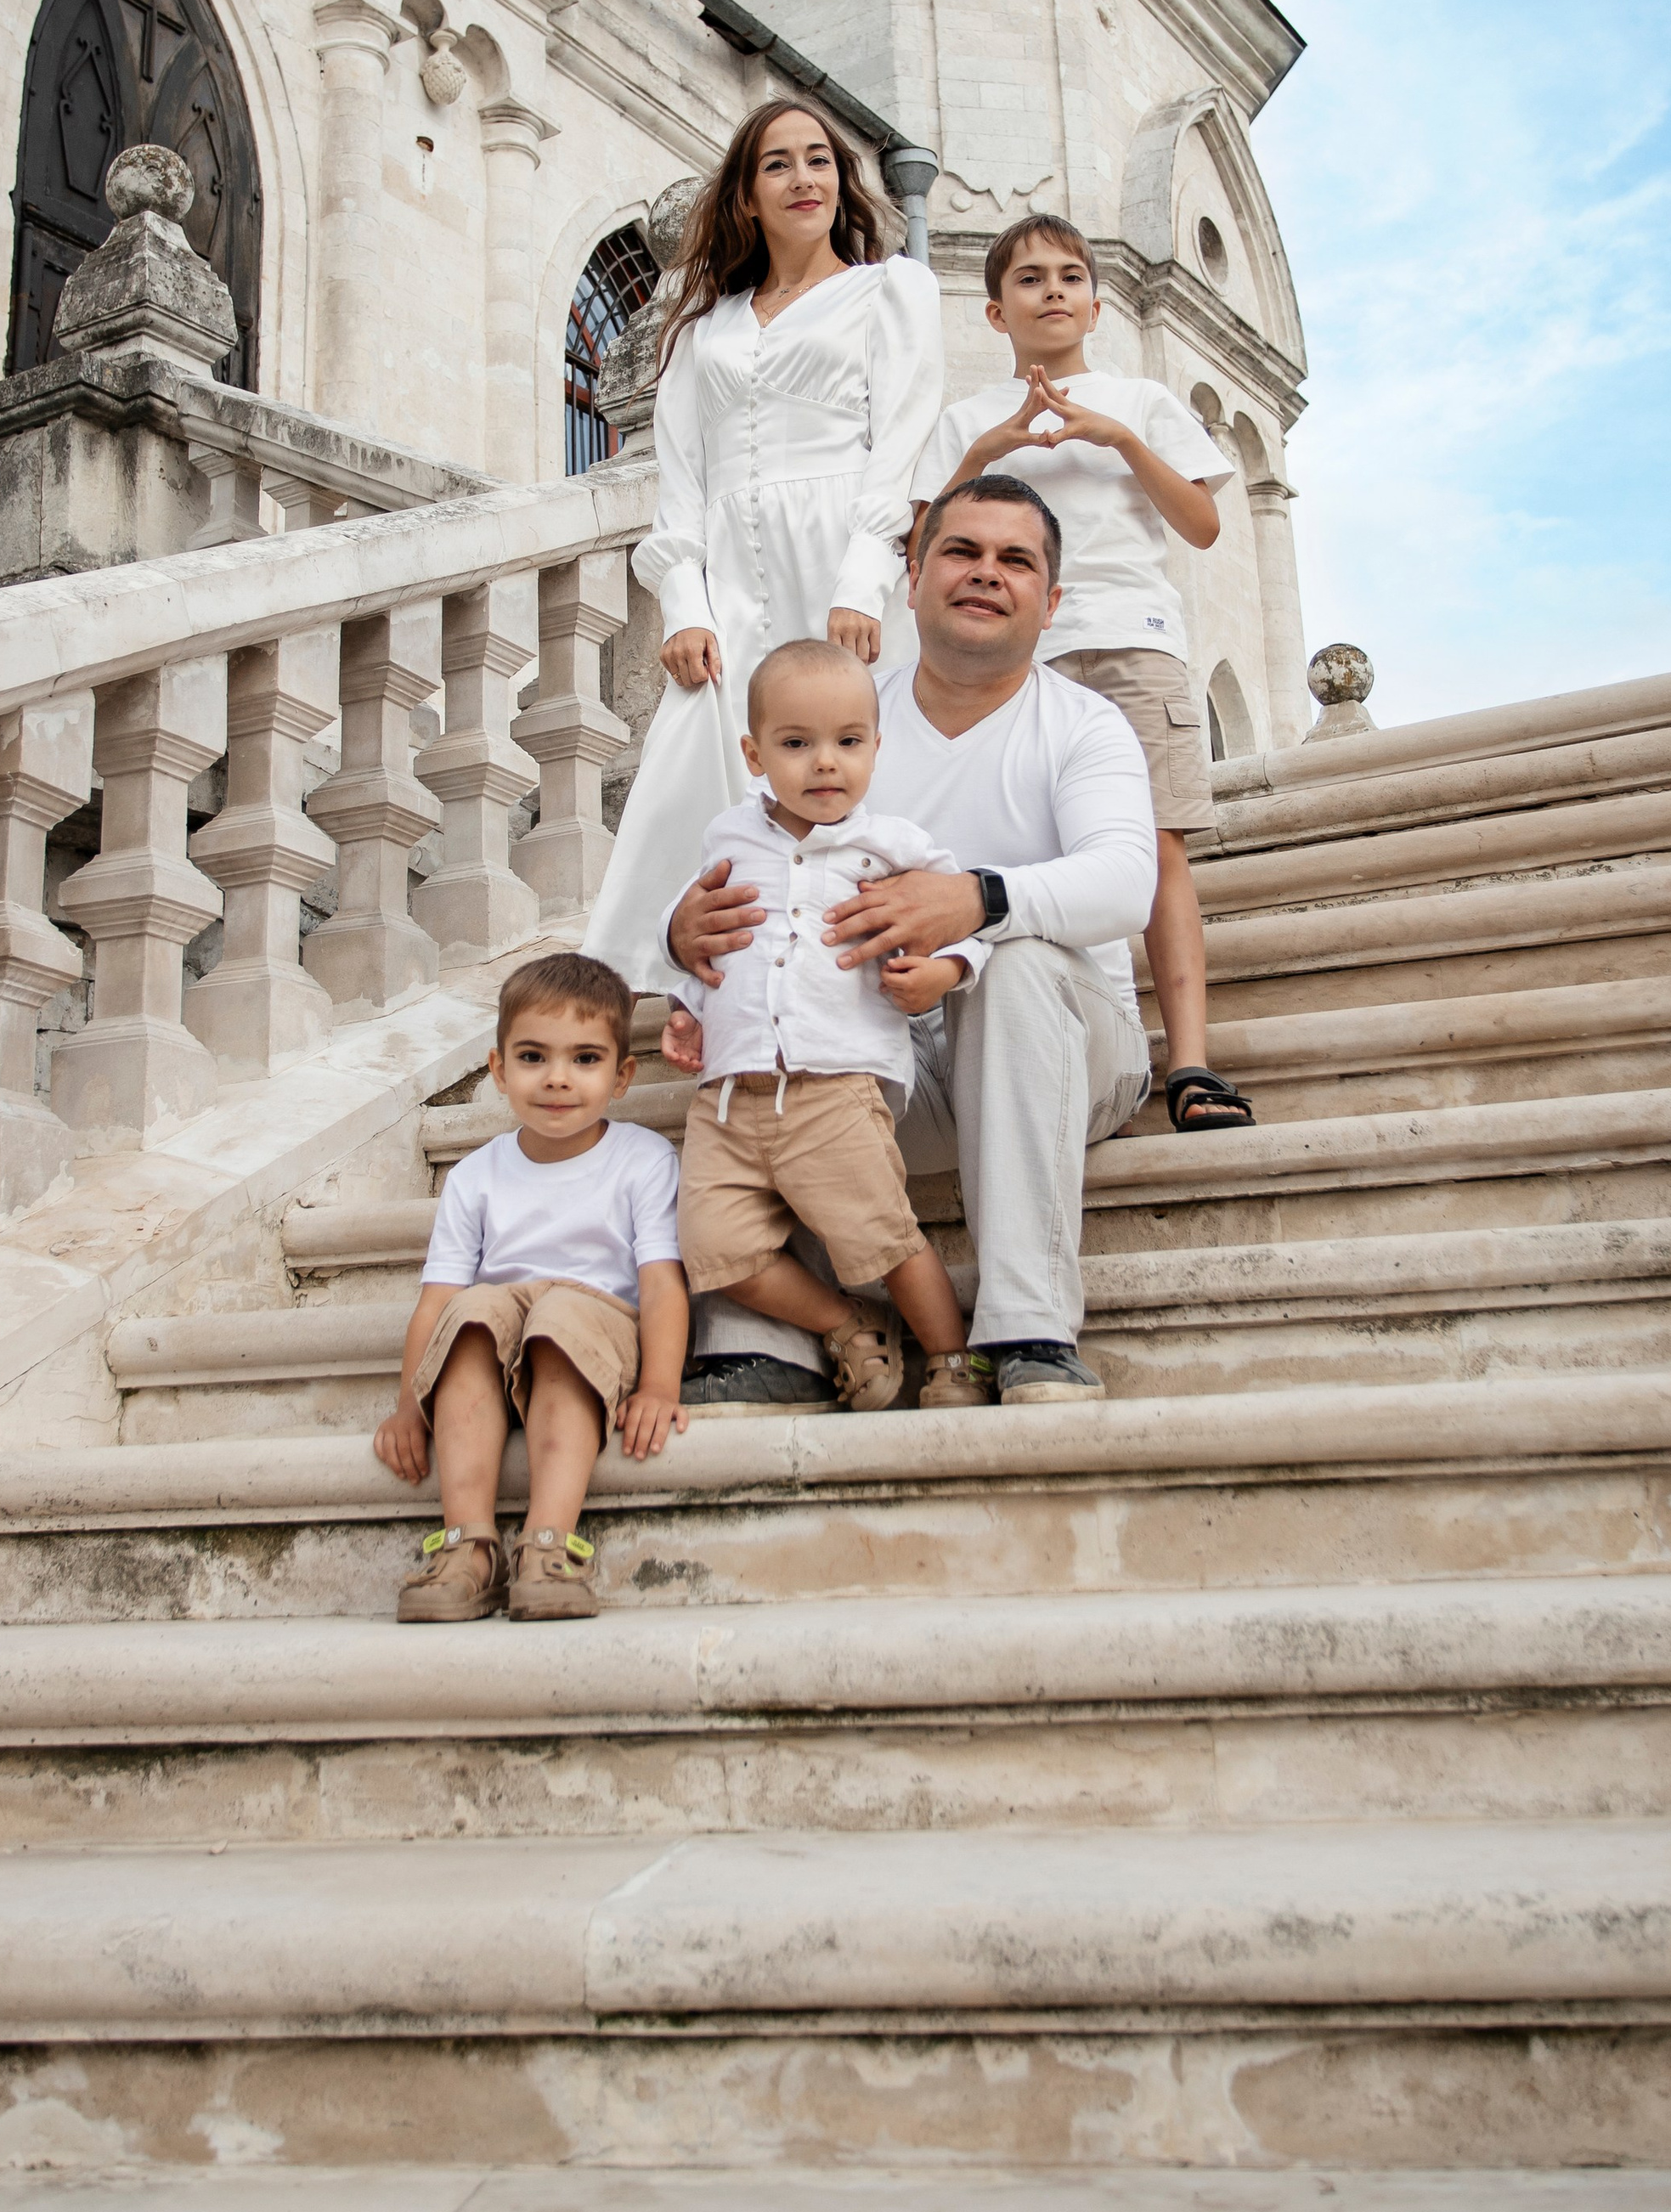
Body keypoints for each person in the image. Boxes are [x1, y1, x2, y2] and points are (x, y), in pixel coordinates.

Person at [669, 476, 1159, 1408]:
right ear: (914, 577)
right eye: (960, 551)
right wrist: (682, 931)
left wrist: (973, 901)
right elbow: (753, 863)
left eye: (1016, 560)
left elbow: (1126, 883)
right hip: (890, 1065)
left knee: (1015, 961)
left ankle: (1028, 1328)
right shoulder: (841, 715)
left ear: (1052, 600)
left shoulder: (1084, 725)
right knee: (773, 1030)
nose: (985, 573)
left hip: (1062, 1053)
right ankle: (770, 1340)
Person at [579, 99, 945, 996]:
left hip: (839, 557)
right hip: (729, 575)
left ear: (841, 182)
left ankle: (860, 976)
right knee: (698, 758)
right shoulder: (702, 330)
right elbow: (681, 480)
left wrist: (864, 579)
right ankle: (683, 982)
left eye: (819, 160)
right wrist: (683, 602)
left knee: (852, 762)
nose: (803, 178)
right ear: (746, 195)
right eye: (777, 164)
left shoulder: (891, 290)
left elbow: (900, 446)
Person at [916, 212, 1251, 1136]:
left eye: (1070, 277)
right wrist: (989, 453)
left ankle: (1188, 1061)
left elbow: (1202, 525)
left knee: (1158, 847)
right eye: (1029, 279)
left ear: (1097, 305)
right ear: (995, 312)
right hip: (1016, 661)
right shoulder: (965, 420)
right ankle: (1063, 1044)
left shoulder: (1140, 400)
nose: (1052, 292)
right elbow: (921, 546)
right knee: (1037, 850)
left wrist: (1117, 439)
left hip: (1134, 640)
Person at [660, 637, 983, 1414]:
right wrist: (685, 1005)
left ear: (876, 747)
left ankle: (952, 1358)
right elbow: (715, 941)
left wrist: (947, 969)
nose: (826, 763)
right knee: (713, 1250)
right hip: (727, 1095)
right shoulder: (728, 838)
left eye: (848, 742)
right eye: (797, 744)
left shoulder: (892, 847)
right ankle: (846, 1322)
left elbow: (967, 920)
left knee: (882, 1236)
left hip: (835, 1087)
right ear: (755, 755)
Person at [375, 951, 688, 1622]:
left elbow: (662, 1283)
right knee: (472, 1309)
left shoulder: (643, 1159)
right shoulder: (475, 1176)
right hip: (501, 1336)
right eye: (532, 1057)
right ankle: (468, 1547)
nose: (557, 1078)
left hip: (590, 1329)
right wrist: (408, 1406)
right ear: (498, 1069)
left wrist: (661, 1385)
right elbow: (436, 1301)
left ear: (622, 1075)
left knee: (559, 1316)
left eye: (585, 1059)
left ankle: (549, 1545)